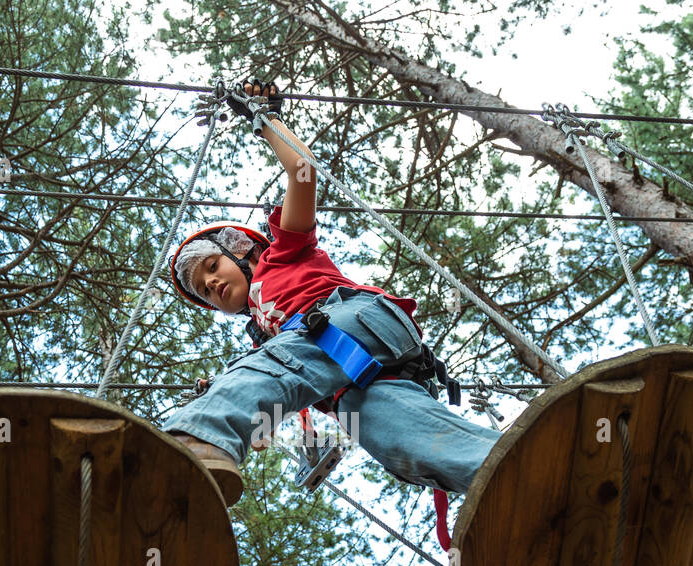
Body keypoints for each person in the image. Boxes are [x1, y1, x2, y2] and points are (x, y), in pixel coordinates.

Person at [163, 79, 501, 532]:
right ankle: (514, 470)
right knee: (405, 440)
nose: (211, 284)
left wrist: (265, 120)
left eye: (211, 266)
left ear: (239, 249)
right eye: (203, 290)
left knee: (267, 368)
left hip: (353, 323)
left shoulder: (283, 254)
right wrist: (257, 419)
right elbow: (285, 384)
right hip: (359, 382)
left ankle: (195, 442)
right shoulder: (267, 335)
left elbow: (302, 170)